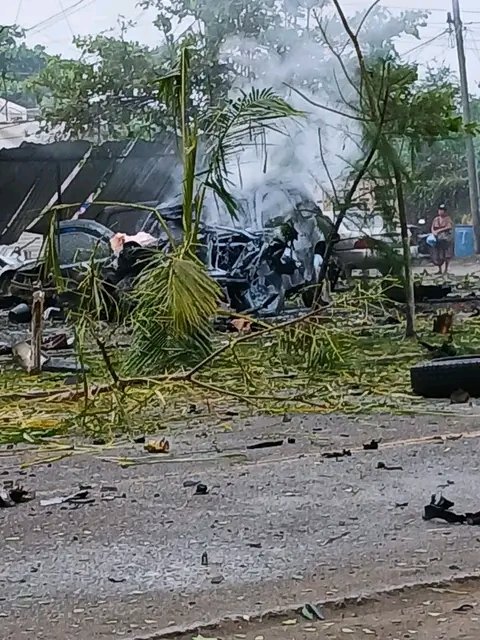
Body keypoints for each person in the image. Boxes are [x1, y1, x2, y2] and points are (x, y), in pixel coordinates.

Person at [431, 204, 454, 274]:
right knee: (438, 254)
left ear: (445, 211)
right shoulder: (436, 219)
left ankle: (446, 270)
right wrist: (434, 232)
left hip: (446, 239)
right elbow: (432, 227)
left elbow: (449, 227)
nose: (440, 211)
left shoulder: (448, 219)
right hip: (438, 239)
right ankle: (439, 269)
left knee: (446, 255)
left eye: (442, 210)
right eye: (440, 210)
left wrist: (439, 230)